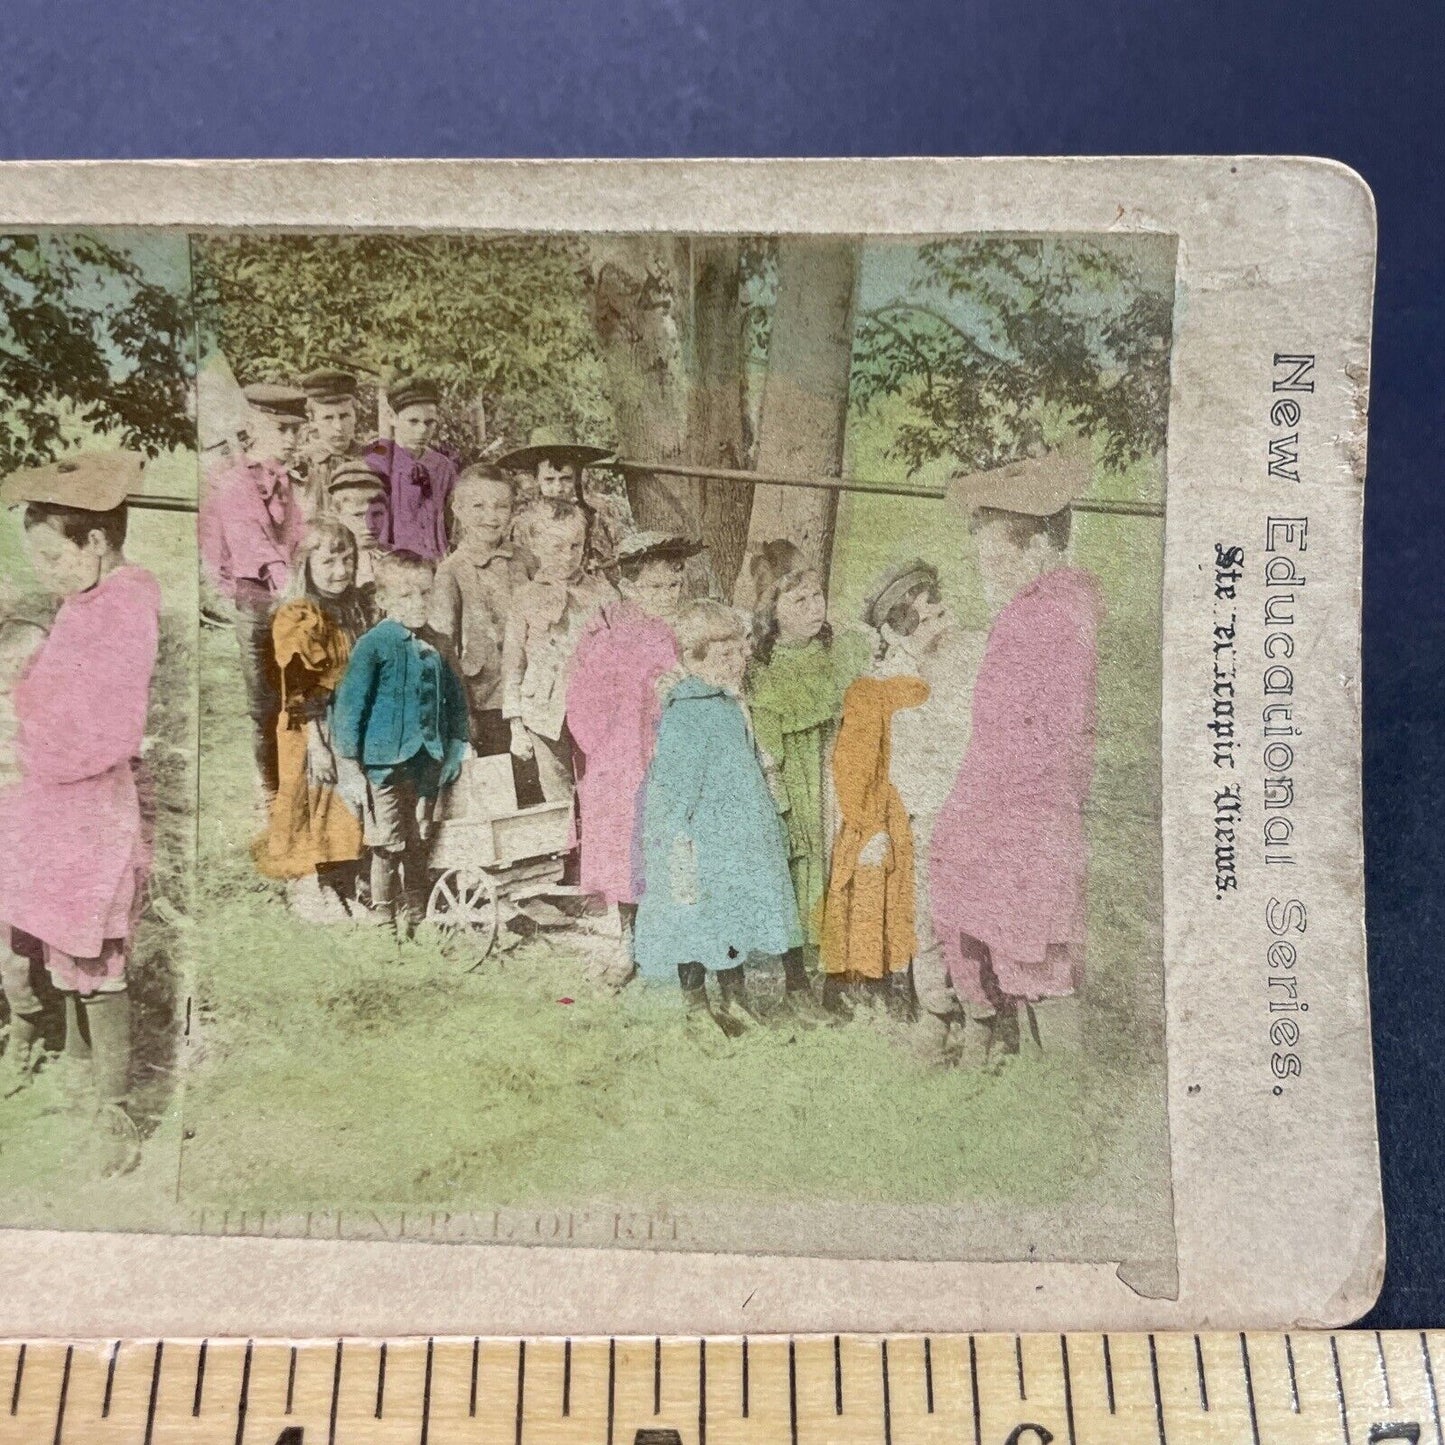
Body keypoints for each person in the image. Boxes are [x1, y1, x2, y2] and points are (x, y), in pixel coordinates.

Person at [0, 451, 160, 1174]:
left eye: (51, 556)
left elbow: (109, 729)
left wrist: (32, 737)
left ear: (96, 541)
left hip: (88, 801)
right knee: (59, 936)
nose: (44, 572)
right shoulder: (83, 600)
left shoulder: (125, 608)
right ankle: (78, 1068)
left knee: (94, 948)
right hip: (53, 796)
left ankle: (116, 1110)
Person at [930, 473, 1101, 1068]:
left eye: (996, 558)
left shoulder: (1037, 617)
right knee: (1005, 913)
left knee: (1024, 923)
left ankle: (1049, 1061)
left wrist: (984, 801)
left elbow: (1020, 730)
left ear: (1038, 548)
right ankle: (1009, 1039)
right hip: (1021, 792)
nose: (987, 572)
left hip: (1022, 797)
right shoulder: (1058, 607)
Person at [633, 601, 802, 1036]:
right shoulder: (685, 712)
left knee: (730, 917)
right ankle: (695, 1006)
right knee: (693, 918)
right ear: (693, 659)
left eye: (739, 651)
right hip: (696, 840)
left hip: (734, 837)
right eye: (724, 654)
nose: (737, 661)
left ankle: (734, 996)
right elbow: (674, 789)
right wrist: (677, 840)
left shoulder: (727, 703)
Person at [565, 532, 699, 979]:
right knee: (626, 848)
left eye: (674, 585)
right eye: (656, 586)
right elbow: (584, 701)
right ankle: (629, 939)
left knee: (673, 846)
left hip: (670, 754)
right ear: (629, 586)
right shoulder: (608, 638)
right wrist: (608, 748)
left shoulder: (683, 632)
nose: (668, 595)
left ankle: (674, 941)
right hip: (623, 760)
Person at [744, 542, 869, 1018]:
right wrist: (779, 803)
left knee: (844, 865)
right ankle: (797, 978)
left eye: (817, 595)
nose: (815, 607)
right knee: (801, 871)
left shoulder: (837, 651)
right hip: (797, 785)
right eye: (799, 600)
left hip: (838, 776)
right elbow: (767, 750)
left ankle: (839, 976)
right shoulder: (762, 669)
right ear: (771, 612)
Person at [867, 560, 979, 1058]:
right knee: (927, 918)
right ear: (894, 633)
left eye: (934, 602)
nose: (933, 616)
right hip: (923, 811)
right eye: (915, 616)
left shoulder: (972, 654)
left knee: (972, 917)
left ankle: (984, 1016)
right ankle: (937, 1012)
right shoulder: (893, 678)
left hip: (974, 806)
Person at [332, 550, 470, 939]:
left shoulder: (440, 644)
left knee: (420, 837)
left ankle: (417, 911)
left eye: (425, 593)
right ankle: (383, 919)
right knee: (387, 842)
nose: (419, 603)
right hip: (385, 766)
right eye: (407, 596)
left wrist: (456, 746)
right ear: (384, 600)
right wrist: (349, 765)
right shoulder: (373, 645)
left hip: (428, 761)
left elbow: (458, 704)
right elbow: (349, 708)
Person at [817, 566, 933, 1013]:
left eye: (935, 613)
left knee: (914, 902)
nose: (927, 628)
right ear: (890, 631)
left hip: (923, 809)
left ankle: (917, 984)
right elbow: (851, 767)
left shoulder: (936, 679)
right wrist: (869, 826)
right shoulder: (873, 689)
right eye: (914, 620)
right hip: (880, 815)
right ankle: (867, 984)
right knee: (872, 898)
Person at [252, 520, 375, 918]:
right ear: (305, 564)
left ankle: (349, 880)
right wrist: (318, 745)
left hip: (349, 721)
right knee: (317, 801)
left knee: (349, 808)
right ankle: (317, 885)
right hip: (313, 725)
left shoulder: (355, 606)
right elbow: (298, 688)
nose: (341, 571)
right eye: (329, 562)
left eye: (348, 560)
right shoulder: (298, 615)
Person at [198, 382, 308, 803]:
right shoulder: (234, 483)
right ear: (255, 426)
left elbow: (300, 537)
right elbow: (252, 546)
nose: (291, 438)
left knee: (300, 698)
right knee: (264, 706)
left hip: (294, 601)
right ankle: (270, 791)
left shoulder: (292, 483)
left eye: (296, 429)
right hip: (258, 602)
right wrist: (286, 585)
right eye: (282, 429)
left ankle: (302, 785)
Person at [500, 503, 616, 804]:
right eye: (557, 546)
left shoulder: (603, 594)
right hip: (543, 713)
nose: (567, 555)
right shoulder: (524, 598)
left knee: (600, 788)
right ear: (536, 545)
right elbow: (513, 665)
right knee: (557, 792)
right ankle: (566, 835)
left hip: (595, 709)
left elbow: (619, 656)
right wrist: (516, 725)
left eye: (575, 546)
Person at [428, 465, 529, 757]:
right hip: (484, 700)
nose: (491, 516)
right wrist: (461, 712)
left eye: (501, 506)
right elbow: (444, 646)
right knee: (496, 777)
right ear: (458, 510)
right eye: (478, 506)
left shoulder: (527, 561)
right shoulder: (451, 571)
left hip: (530, 694)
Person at [498, 439, 627, 577]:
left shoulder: (595, 517)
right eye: (549, 479)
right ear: (537, 480)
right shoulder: (522, 523)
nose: (558, 488)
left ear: (576, 479)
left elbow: (614, 558)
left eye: (566, 479)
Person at [363, 376, 457, 561]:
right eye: (413, 421)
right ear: (392, 418)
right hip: (393, 563)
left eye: (429, 422)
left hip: (437, 562)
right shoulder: (376, 463)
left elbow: (452, 519)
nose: (422, 430)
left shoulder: (443, 467)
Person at [294, 368, 364, 522]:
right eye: (328, 418)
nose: (338, 427)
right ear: (312, 421)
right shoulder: (301, 465)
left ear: (355, 416)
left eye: (344, 416)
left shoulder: (372, 460)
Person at [325, 460, 391, 592]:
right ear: (336, 514)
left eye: (377, 514)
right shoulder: (327, 563)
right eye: (358, 515)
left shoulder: (393, 560)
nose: (370, 525)